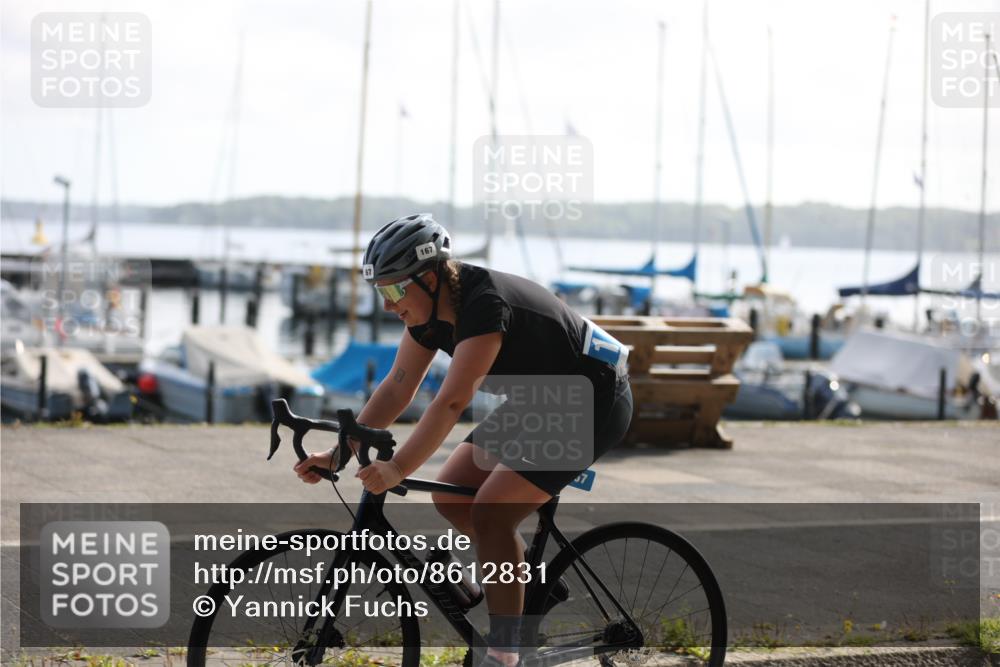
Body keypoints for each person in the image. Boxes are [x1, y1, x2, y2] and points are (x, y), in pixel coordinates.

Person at [295, 213, 633, 667]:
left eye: (395, 289)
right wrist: (337, 454)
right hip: (542, 397)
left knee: (492, 512)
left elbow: (451, 402)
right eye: (381, 292)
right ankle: (521, 580)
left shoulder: (483, 306)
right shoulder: (427, 315)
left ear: (430, 278)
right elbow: (397, 387)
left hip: (592, 396)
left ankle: (504, 653)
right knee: (450, 494)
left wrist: (399, 468)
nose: (388, 304)